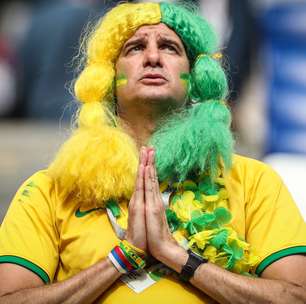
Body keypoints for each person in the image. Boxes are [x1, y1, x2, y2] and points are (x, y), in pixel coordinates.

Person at [0, 2, 306, 303]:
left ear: (195, 77)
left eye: (170, 47)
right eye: (134, 48)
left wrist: (177, 256)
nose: (153, 57)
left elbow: (295, 296)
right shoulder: (51, 189)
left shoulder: (253, 181)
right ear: (108, 76)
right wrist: (122, 257)